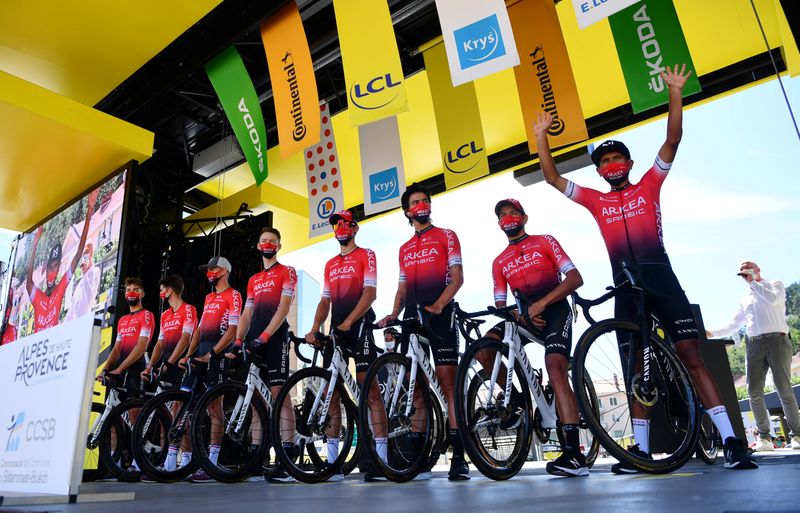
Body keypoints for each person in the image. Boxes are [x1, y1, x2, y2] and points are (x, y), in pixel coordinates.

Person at [536, 64, 756, 471]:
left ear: (629, 163)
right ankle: (639, 449)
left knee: (691, 355)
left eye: (617, 158)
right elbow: (551, 178)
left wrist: (675, 92)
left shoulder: (649, 185)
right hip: (625, 289)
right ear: (599, 171)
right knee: (636, 368)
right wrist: (541, 138)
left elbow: (672, 139)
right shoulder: (596, 201)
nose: (611, 165)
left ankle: (731, 441)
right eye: (604, 162)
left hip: (662, 279)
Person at [489, 198, 587, 477]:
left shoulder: (544, 241)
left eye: (513, 213)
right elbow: (500, 304)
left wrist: (541, 304)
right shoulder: (499, 261)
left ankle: (573, 455)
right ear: (499, 224)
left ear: (524, 217)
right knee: (485, 348)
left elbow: (574, 278)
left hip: (555, 310)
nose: (508, 218)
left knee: (556, 367)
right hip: (525, 318)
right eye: (503, 215)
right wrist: (520, 316)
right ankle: (520, 401)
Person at [378, 182, 469, 481]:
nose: (421, 205)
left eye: (425, 201)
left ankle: (459, 456)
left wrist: (440, 304)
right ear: (407, 210)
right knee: (414, 386)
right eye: (415, 202)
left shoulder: (446, 235)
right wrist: (393, 313)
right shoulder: (404, 248)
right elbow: (402, 288)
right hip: (412, 316)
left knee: (447, 384)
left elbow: (457, 278)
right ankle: (417, 457)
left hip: (441, 314)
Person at [304, 209, 385, 482]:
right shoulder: (329, 264)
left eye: (345, 223)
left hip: (359, 326)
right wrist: (315, 328)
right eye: (336, 224)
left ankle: (381, 460)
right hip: (336, 331)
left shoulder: (366, 254)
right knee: (331, 396)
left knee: (370, 393)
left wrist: (351, 321)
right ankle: (333, 463)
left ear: (355, 228)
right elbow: (325, 301)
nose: (340, 228)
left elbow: (371, 293)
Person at [707, 261, 800, 451]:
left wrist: (754, 283)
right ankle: (764, 439)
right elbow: (734, 324)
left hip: (777, 340)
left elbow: (773, 300)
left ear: (758, 270)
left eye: (747, 271)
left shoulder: (775, 284)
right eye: (742, 273)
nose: (745, 276)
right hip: (754, 343)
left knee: (783, 388)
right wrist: (711, 333)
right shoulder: (745, 298)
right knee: (754, 392)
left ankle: (797, 435)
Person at [229, 228, 297, 484]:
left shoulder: (286, 271)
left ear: (278, 246)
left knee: (280, 396)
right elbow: (246, 313)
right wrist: (238, 339)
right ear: (258, 246)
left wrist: (266, 336)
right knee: (256, 399)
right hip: (253, 339)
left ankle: (288, 459)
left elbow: (284, 306)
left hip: (275, 337)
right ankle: (258, 459)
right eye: (264, 241)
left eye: (272, 241)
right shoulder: (253, 279)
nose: (268, 244)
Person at [181, 257, 242, 483]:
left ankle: (212, 464)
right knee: (187, 402)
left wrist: (214, 353)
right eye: (207, 269)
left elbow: (234, 328)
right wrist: (189, 353)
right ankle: (187, 462)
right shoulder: (208, 297)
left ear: (224, 271)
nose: (209, 273)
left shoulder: (233, 294)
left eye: (213, 269)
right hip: (201, 351)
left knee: (215, 409)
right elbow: (198, 328)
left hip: (218, 353)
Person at [97, 277, 155, 476]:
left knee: (134, 415)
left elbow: (142, 346)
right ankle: (116, 460)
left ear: (142, 294)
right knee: (114, 418)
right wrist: (105, 369)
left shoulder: (146, 315)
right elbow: (116, 349)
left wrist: (120, 369)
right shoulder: (122, 320)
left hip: (136, 368)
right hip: (120, 369)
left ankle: (141, 461)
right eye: (128, 289)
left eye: (136, 289)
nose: (131, 293)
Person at [140, 274, 198, 475]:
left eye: (162, 289)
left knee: (180, 413)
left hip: (181, 366)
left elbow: (186, 338)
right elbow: (160, 343)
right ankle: (168, 460)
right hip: (166, 366)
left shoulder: (189, 310)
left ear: (170, 291)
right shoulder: (165, 315)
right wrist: (150, 366)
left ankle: (187, 460)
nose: (160, 293)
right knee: (166, 416)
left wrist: (172, 361)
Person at [26, 189, 98, 332]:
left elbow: (78, 255)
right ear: (46, 270)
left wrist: (89, 211)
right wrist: (34, 244)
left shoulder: (60, 289)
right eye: (50, 267)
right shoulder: (37, 296)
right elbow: (29, 282)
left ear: (59, 269)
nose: (53, 270)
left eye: (56, 266)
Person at [66, 243, 102, 321]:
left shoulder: (95, 271)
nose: (84, 258)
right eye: (83, 255)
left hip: (86, 323)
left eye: (86, 254)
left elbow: (90, 296)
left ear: (91, 256)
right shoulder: (80, 283)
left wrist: (85, 273)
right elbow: (72, 309)